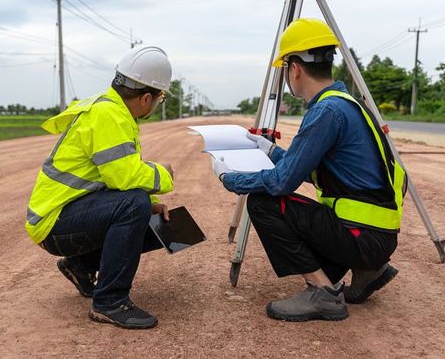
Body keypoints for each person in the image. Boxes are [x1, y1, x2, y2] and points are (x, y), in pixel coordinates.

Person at [212, 18, 406, 322]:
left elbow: (282, 182)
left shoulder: (325, 111)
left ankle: (323, 293)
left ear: (295, 69)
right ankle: (368, 270)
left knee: (262, 203)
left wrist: (230, 178)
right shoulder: (347, 104)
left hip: (363, 237)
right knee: (287, 202)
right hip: (377, 236)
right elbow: (307, 169)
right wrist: (271, 151)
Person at [25, 46, 175, 329]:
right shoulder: (108, 115)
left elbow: (114, 176)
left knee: (147, 214)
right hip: (54, 223)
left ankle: (79, 266)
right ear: (146, 98)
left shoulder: (110, 109)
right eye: (160, 98)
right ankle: (110, 302)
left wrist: (149, 201)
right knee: (135, 206)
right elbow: (125, 178)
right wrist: (164, 175)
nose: (157, 104)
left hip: (66, 215)